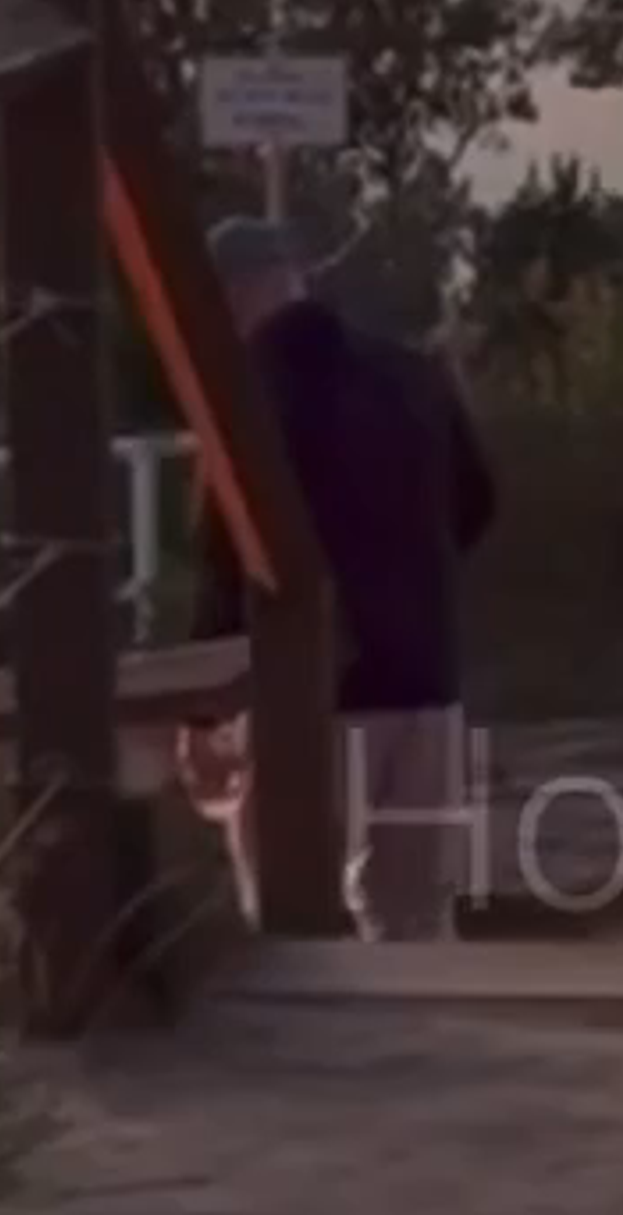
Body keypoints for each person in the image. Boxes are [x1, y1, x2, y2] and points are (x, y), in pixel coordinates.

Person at [193, 217, 498, 940]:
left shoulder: (247, 397)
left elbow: (223, 556)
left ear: (229, 296)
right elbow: (479, 500)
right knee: (417, 919)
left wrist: (203, 713)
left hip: (305, 697)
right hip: (426, 682)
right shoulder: (413, 372)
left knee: (283, 920)